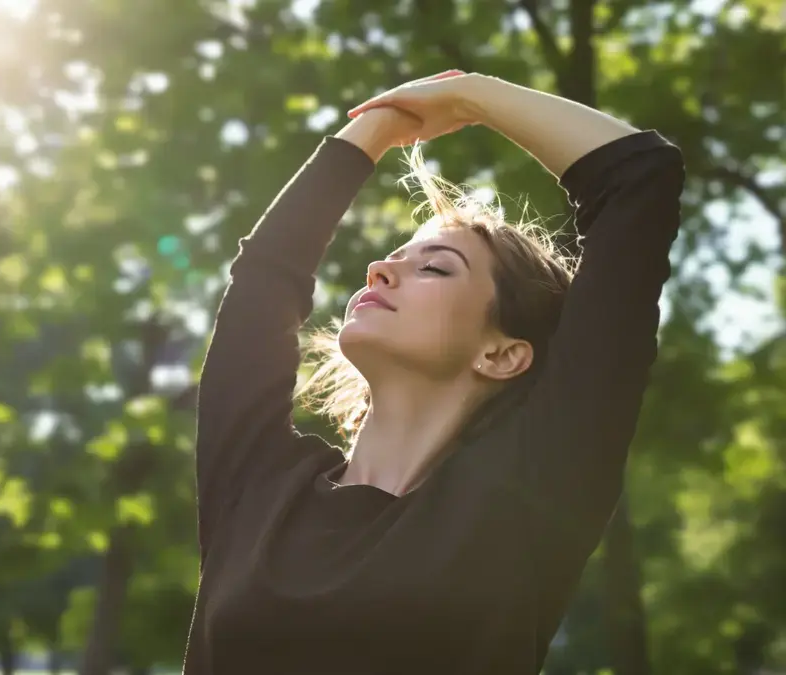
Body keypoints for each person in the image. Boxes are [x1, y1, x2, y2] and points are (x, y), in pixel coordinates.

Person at [184, 71, 685, 674]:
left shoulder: (531, 492)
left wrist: (470, 94)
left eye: (435, 268)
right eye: (392, 259)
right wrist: (376, 126)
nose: (378, 270)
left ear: (502, 354)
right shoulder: (258, 483)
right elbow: (264, 278)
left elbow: (641, 177)